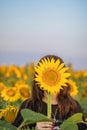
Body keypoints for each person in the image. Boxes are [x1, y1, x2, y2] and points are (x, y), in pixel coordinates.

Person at [13, 55, 87, 130]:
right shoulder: (28, 106)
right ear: (38, 77)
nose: (50, 77)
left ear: (63, 77)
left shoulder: (73, 107)